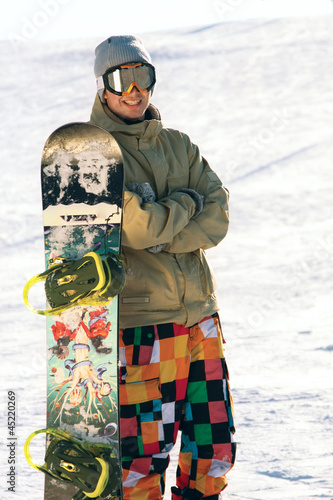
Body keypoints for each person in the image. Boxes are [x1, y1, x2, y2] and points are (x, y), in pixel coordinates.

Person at [89, 35, 236, 500]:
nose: (134, 90)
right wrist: (182, 209)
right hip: (144, 327)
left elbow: (217, 217)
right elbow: (136, 229)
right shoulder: (92, 153)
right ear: (103, 86)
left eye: (142, 77)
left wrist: (165, 224)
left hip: (200, 320)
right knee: (143, 455)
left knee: (214, 447)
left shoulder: (180, 146)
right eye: (121, 79)